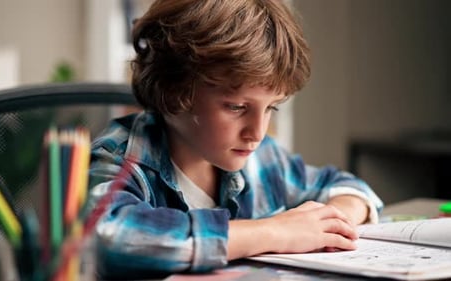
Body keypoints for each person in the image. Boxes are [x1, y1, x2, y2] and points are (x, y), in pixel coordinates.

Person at [87, 0, 384, 278]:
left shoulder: (263, 157)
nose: (257, 132)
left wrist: (333, 220)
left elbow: (349, 188)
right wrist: (272, 232)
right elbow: (109, 235)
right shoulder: (120, 156)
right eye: (236, 107)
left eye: (271, 108)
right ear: (174, 90)